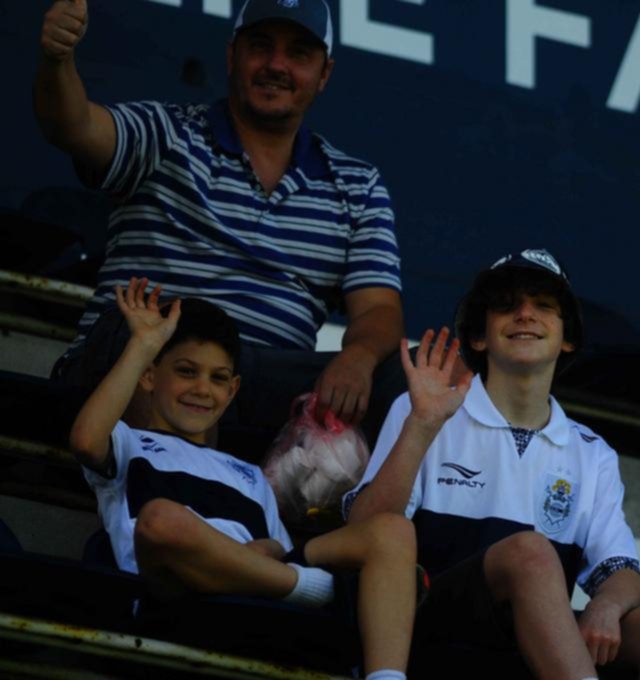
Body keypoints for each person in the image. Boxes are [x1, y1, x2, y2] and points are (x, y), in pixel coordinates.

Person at [35, 0, 403, 439]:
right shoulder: (167, 133)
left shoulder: (358, 185)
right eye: (261, 46)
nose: (276, 65)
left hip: (251, 389)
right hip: (140, 364)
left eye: (299, 54)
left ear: (325, 74)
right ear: (232, 56)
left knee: (400, 377)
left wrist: (358, 358)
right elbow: (72, 126)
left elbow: (379, 310)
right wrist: (58, 60)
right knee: (140, 332)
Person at [344, 249, 640, 679]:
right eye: (507, 305)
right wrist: (422, 424)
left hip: (535, 645)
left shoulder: (592, 452)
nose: (525, 315)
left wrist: (606, 606)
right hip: (424, 628)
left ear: (567, 338)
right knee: (530, 551)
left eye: (544, 306)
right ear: (479, 337)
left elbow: (622, 571)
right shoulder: (424, 407)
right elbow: (364, 529)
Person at [68, 276, 416, 680]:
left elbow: (277, 546)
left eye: (218, 379)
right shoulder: (129, 442)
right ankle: (320, 589)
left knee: (392, 531)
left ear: (233, 391)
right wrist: (143, 344)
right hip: (172, 594)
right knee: (161, 519)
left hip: (255, 598)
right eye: (186, 371)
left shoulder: (250, 473)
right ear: (148, 376)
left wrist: (267, 551)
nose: (202, 389)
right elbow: (84, 440)